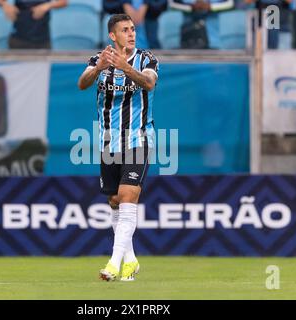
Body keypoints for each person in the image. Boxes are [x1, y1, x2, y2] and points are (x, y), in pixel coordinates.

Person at [77, 14, 159, 281]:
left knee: (127, 195)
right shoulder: (98, 59)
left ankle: (113, 264)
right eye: (125, 30)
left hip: (138, 139)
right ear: (113, 36)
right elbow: (82, 83)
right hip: (108, 142)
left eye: (133, 29)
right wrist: (99, 68)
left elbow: (148, 83)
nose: (131, 33)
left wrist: (126, 68)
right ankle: (131, 261)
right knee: (114, 201)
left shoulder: (146, 59)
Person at [0, 0, 67, 49]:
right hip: (18, 39)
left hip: (42, 40)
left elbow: (63, 2)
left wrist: (47, 6)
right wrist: (5, 5)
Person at [169, 0, 234, 49]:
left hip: (214, 38)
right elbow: (172, 3)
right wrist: (191, 7)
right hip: (188, 38)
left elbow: (230, 3)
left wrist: (210, 7)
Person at [103, 0, 167, 49]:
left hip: (149, 49)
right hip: (121, 49)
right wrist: (125, 3)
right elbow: (107, 5)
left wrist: (146, 3)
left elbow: (162, 4)